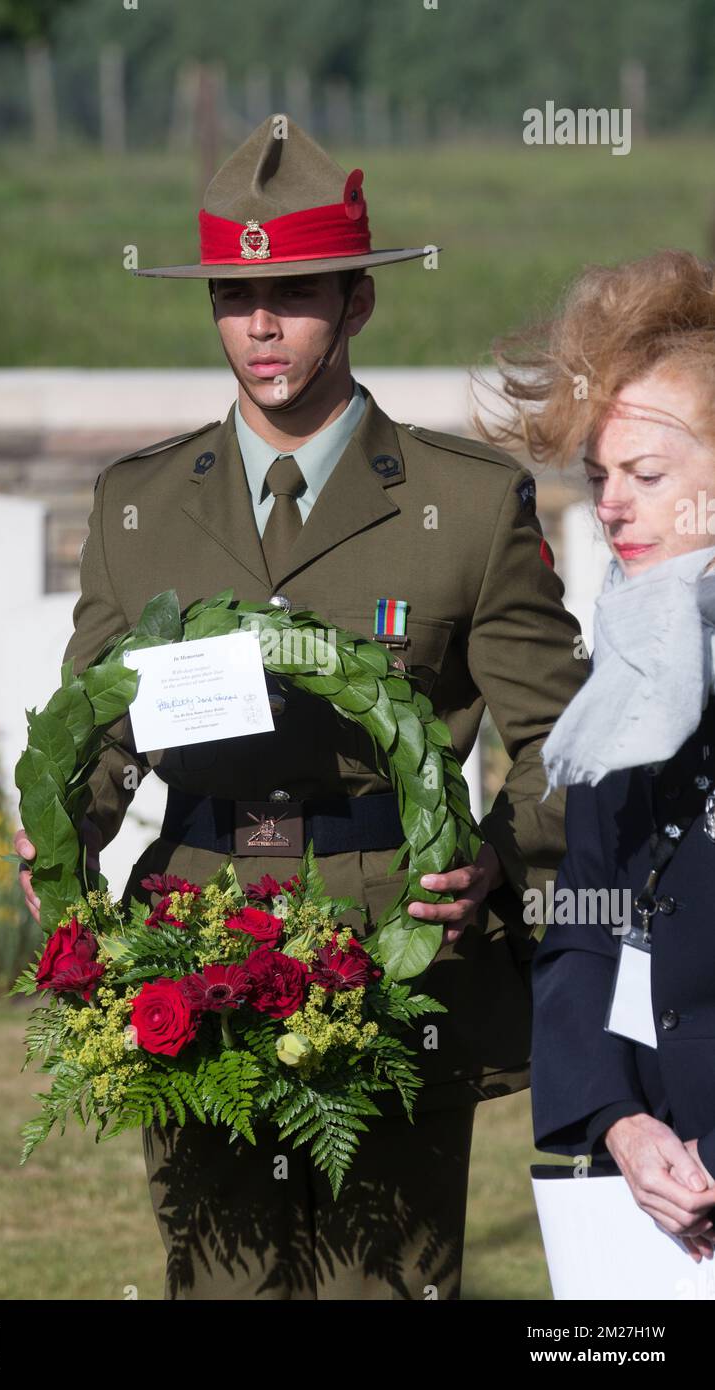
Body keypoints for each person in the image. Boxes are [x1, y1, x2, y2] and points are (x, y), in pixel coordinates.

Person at [14, 113, 587, 1299]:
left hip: (393, 958)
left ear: (358, 301)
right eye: (234, 293)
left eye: (295, 293)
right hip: (189, 943)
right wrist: (60, 834)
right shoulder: (137, 506)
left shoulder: (467, 505)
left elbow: (562, 746)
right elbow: (100, 726)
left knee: (383, 1283)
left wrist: (484, 862)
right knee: (216, 1282)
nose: (261, 326)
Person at [483, 248, 715, 1265]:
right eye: (596, 477)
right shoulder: (618, 677)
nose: (609, 506)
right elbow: (582, 921)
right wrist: (618, 1120)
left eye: (646, 475)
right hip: (646, 1174)